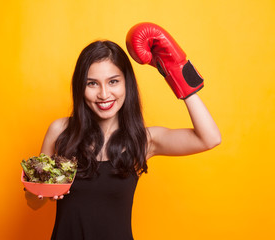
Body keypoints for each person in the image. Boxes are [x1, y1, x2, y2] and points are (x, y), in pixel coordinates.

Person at [28, 23, 221, 240]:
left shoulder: (143, 140)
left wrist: (176, 71)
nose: (104, 94)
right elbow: (34, 203)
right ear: (80, 87)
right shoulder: (60, 131)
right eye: (92, 83)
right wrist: (42, 190)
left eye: (113, 82)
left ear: (126, 84)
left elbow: (210, 138)